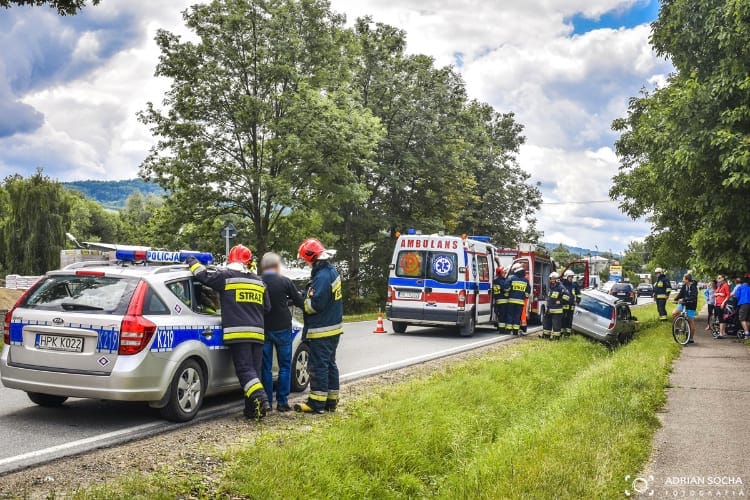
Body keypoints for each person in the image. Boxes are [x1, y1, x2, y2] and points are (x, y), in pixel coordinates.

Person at [186, 245, 271, 419]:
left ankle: (261, 398)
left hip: (238, 333)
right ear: (248, 262)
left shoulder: (226, 276)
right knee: (255, 371)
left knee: (245, 370)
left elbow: (203, 276)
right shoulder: (259, 282)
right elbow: (267, 308)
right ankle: (254, 411)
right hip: (257, 333)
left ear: (230, 260)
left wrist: (192, 261)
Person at [294, 238, 343, 414]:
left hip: (322, 329)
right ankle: (331, 401)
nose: (305, 263)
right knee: (329, 364)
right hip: (332, 328)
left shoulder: (321, 276)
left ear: (311, 257)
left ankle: (316, 403)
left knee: (318, 366)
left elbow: (315, 305)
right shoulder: (330, 271)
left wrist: (300, 301)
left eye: (305, 259)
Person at [259, 252, 305, 412]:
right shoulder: (285, 281)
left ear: (263, 266)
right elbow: (299, 301)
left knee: (266, 367)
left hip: (264, 328)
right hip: (283, 328)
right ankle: (282, 402)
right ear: (277, 266)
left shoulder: (258, 281)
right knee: (285, 366)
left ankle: (266, 403)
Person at [543, 272, 571, 340]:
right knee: (547, 323)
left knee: (556, 325)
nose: (552, 280)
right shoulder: (551, 287)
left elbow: (567, 296)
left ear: (557, 279)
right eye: (551, 279)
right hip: (550, 309)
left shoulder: (561, 287)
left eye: (553, 279)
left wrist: (560, 301)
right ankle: (546, 337)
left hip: (557, 311)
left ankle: (556, 338)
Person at [672, 273, 698, 343]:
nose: (682, 280)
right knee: (674, 313)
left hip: (691, 305)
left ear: (687, 279)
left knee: (690, 321)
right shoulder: (684, 286)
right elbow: (680, 294)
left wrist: (684, 299)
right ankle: (678, 328)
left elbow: (693, 297)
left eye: (683, 279)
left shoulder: (693, 287)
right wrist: (675, 299)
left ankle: (691, 338)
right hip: (683, 304)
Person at [505, 264, 531, 336]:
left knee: (510, 315)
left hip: (511, 301)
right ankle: (515, 331)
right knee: (517, 316)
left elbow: (506, 288)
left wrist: (508, 294)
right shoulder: (526, 280)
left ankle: (508, 330)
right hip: (520, 302)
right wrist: (523, 297)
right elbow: (528, 292)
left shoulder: (511, 278)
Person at [561, 269, 581, 337]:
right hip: (563, 306)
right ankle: (561, 333)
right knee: (562, 319)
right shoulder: (562, 285)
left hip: (571, 306)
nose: (571, 278)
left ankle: (568, 334)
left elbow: (578, 294)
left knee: (569, 320)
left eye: (572, 277)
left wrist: (577, 301)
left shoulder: (574, 285)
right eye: (570, 277)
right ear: (566, 277)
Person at [492, 266, 508, 333]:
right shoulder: (502, 281)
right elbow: (505, 289)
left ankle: (500, 328)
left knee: (499, 315)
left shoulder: (495, 280)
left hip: (497, 300)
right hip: (503, 301)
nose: (505, 273)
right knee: (503, 316)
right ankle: (502, 330)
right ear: (501, 273)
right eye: (504, 272)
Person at [715, 274, 731, 339]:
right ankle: (723, 332)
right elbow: (715, 293)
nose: (718, 279)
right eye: (718, 278)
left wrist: (723, 303)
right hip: (717, 304)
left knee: (721, 318)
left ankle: (721, 333)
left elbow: (728, 295)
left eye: (719, 278)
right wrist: (719, 294)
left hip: (721, 304)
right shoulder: (720, 286)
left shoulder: (725, 285)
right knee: (721, 318)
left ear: (723, 278)